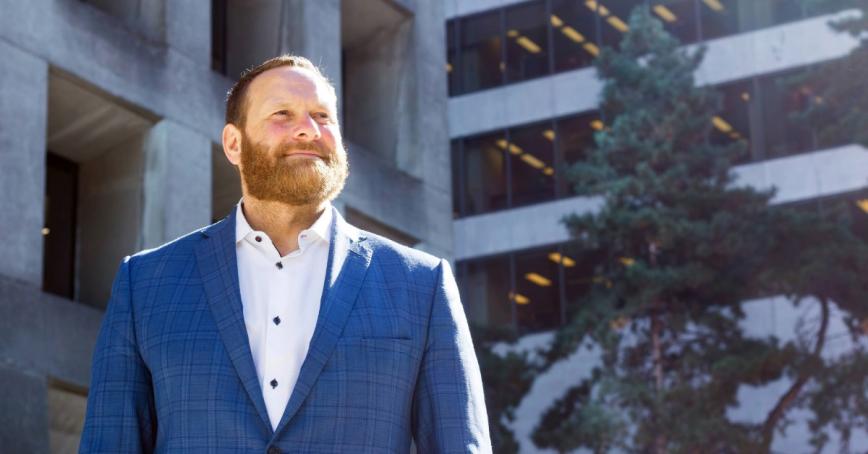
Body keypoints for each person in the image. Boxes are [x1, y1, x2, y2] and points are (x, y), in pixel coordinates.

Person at [79, 55, 490, 453]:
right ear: (234, 143)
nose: (308, 130)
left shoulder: (421, 284)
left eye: (323, 116)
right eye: (282, 115)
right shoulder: (146, 283)